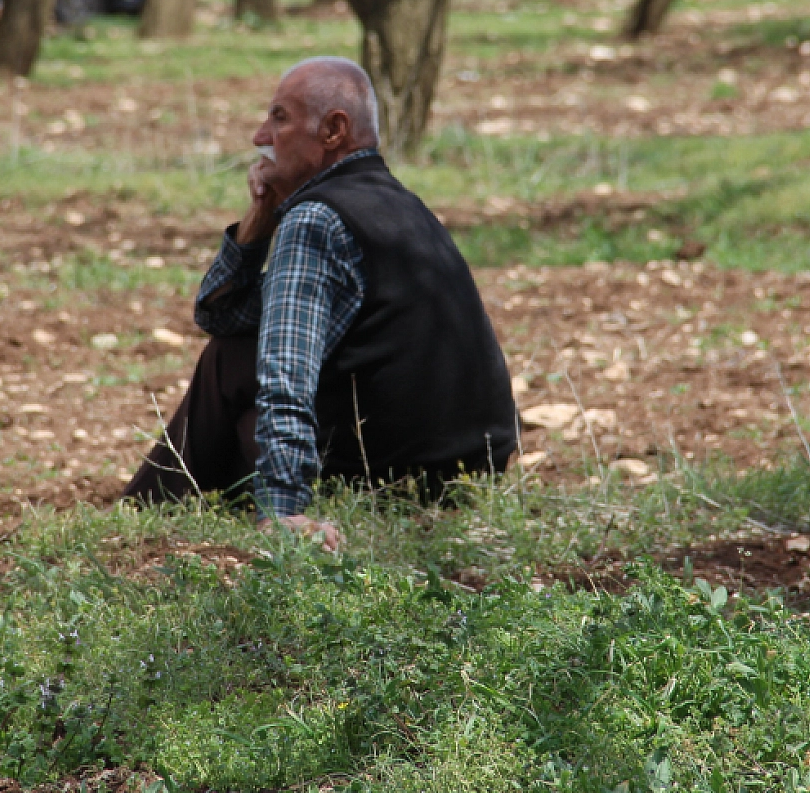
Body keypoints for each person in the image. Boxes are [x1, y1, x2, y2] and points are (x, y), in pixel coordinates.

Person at [123, 57, 518, 550]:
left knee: (226, 363)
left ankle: (140, 521)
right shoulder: (402, 205)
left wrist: (283, 508)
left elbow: (286, 375)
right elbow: (221, 314)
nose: (260, 136)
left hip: (387, 481)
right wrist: (259, 221)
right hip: (469, 473)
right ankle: (147, 513)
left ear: (333, 130)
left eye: (280, 118)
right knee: (232, 352)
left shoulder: (316, 222)